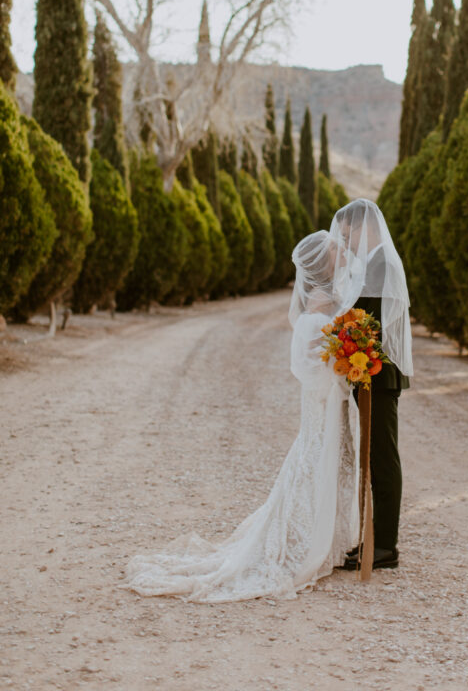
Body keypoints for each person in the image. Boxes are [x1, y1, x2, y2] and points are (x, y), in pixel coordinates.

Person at [124, 230, 359, 603]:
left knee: (320, 462)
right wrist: (343, 368)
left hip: (329, 400)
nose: (342, 251)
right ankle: (303, 540)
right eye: (335, 249)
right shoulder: (320, 300)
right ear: (323, 262)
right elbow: (308, 362)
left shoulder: (331, 296)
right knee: (313, 461)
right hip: (321, 400)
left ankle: (322, 535)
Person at [328, 199, 413, 571]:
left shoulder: (381, 262)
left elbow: (370, 321)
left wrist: (347, 337)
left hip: (379, 373)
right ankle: (374, 539)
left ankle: (385, 546)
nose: (347, 244)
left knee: (382, 457)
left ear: (366, 228)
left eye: (350, 235)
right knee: (374, 456)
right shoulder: (375, 261)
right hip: (370, 373)